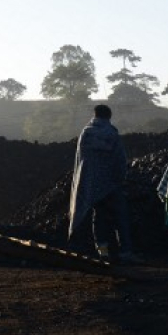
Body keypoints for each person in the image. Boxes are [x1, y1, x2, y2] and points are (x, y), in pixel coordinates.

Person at [67, 105, 134, 261]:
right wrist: (121, 179)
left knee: (99, 217)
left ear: (95, 115)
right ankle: (125, 251)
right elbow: (120, 159)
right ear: (109, 116)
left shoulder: (86, 133)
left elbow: (80, 160)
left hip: (90, 184)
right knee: (121, 216)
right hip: (110, 184)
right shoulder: (112, 134)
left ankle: (103, 251)